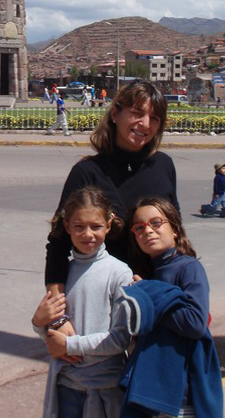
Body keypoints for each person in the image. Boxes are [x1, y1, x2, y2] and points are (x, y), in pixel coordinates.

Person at [44, 80, 179, 308]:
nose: (145, 124)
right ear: (116, 113)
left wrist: (188, 292)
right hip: (99, 304)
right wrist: (58, 314)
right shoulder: (87, 173)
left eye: (154, 118)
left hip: (158, 300)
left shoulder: (164, 167)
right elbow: (58, 245)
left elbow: (176, 236)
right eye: (137, 113)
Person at [32, 187, 132, 418]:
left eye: (96, 226)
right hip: (67, 389)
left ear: (109, 224)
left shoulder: (119, 273)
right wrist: (38, 324)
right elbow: (52, 333)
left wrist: (71, 345)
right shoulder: (62, 274)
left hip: (105, 390)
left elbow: (120, 339)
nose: (88, 234)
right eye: (79, 226)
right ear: (67, 226)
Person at [122, 197, 223, 418]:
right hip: (150, 387)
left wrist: (149, 293)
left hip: (181, 390)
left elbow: (195, 322)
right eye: (139, 227)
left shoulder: (189, 268)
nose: (148, 230)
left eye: (156, 223)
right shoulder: (148, 272)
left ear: (175, 229)